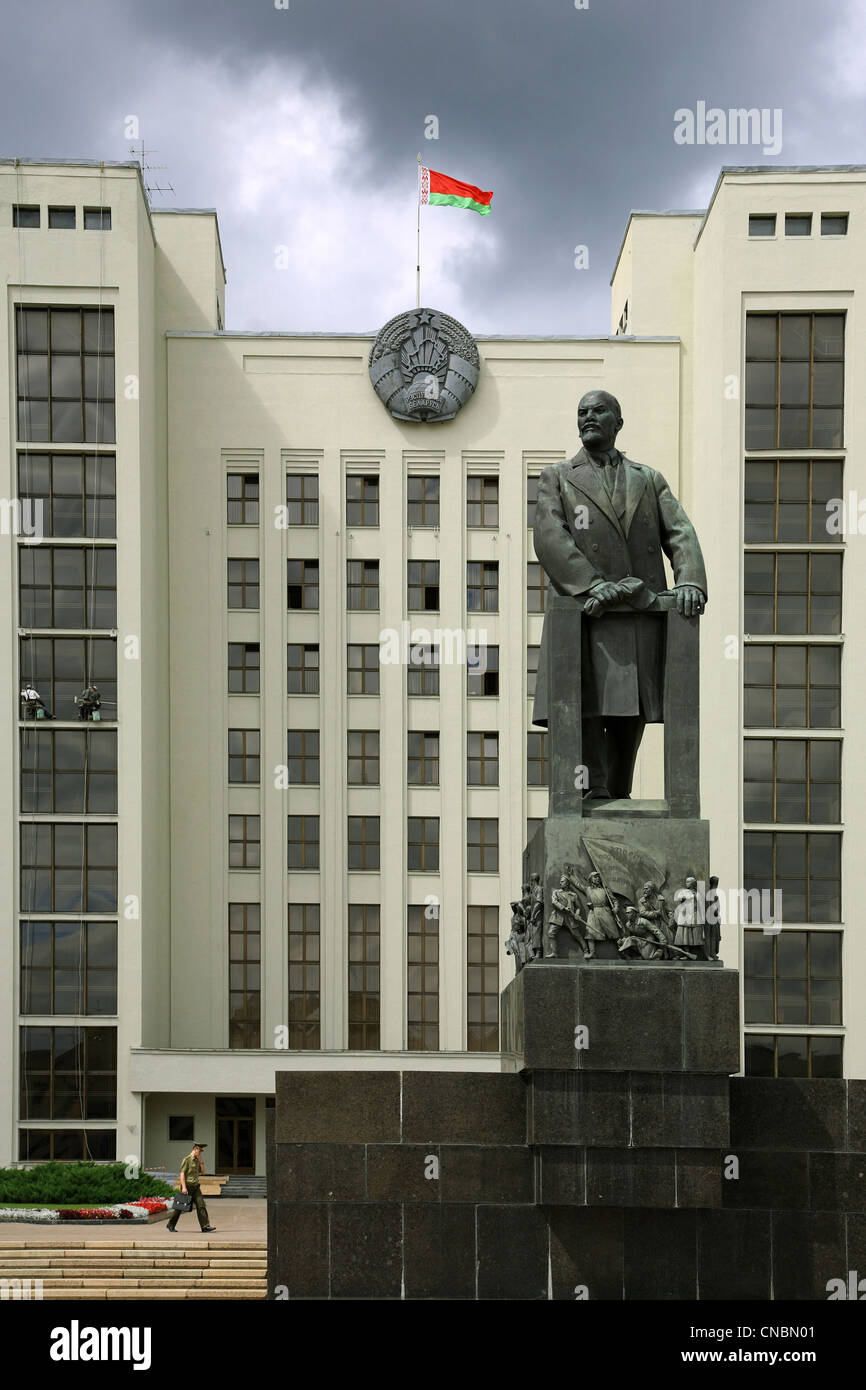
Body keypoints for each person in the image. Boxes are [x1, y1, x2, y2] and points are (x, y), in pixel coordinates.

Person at [532, 390, 707, 799]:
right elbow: (550, 536)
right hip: (588, 614)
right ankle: (594, 790)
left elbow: (679, 532)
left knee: (633, 706)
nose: (588, 417)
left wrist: (690, 580)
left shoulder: (647, 478)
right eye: (582, 412)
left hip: (639, 612)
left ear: (618, 422)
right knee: (589, 703)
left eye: (598, 411)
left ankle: (618, 790)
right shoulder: (557, 476)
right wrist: (593, 584)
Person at [166, 1142, 216, 1234]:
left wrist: (201, 1161)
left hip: (196, 1187)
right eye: (199, 1152)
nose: (200, 1154)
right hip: (187, 1187)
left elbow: (203, 1172)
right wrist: (184, 1187)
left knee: (201, 1205)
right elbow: (181, 1174)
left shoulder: (197, 1161)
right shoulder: (187, 1160)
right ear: (195, 1149)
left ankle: (205, 1226)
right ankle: (171, 1224)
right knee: (180, 1207)